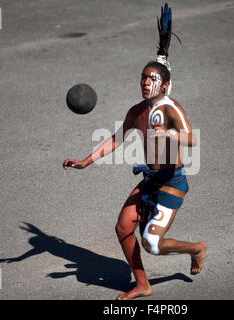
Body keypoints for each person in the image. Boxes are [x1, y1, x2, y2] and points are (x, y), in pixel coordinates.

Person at [63, 60, 206, 300]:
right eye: (143, 77)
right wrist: (85, 161)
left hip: (171, 183)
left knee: (152, 244)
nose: (145, 82)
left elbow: (192, 139)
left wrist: (169, 132)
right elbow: (116, 139)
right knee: (123, 227)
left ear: (165, 85)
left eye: (152, 78)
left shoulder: (171, 108)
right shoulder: (137, 111)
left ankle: (196, 248)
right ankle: (142, 284)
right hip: (150, 180)